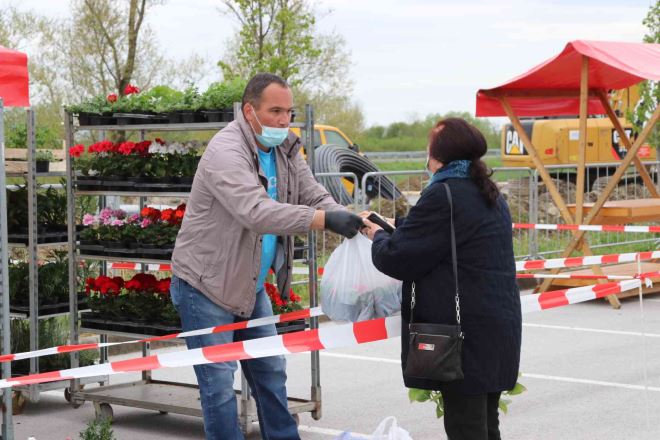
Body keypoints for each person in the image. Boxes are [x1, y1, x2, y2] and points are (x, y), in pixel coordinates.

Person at [170, 72, 364, 440]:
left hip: (250, 285)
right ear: (249, 111)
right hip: (206, 286)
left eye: (289, 112)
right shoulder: (226, 151)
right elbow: (255, 212)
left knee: (271, 372)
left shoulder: (285, 148)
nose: (283, 120)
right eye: (275, 111)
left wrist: (351, 217)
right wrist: (323, 220)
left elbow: (312, 193)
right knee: (219, 387)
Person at [363, 118, 521, 440]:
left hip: (465, 333)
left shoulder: (444, 193)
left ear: (439, 155)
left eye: (429, 145)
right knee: (486, 424)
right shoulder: (486, 191)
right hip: (496, 327)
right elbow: (443, 234)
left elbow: (398, 257)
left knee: (466, 428)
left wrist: (377, 236)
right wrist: (397, 225)